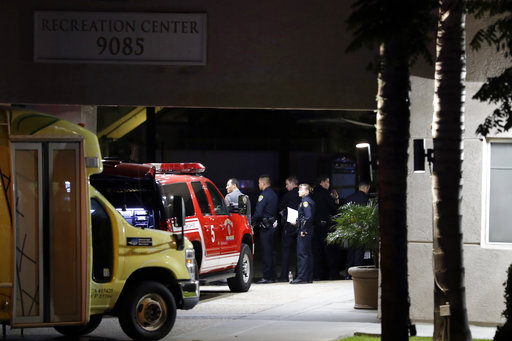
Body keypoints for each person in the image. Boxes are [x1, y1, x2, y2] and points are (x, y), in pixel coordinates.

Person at [310, 176, 340, 280]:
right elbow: (334, 209)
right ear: (322, 182)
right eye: (327, 182)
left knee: (317, 252)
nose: (329, 184)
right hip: (325, 226)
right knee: (329, 252)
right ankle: (333, 274)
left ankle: (318, 274)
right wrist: (336, 199)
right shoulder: (326, 194)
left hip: (314, 226)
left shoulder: (312, 194)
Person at [252, 174, 278, 284]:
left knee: (266, 252)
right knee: (272, 252)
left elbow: (259, 213)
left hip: (265, 228)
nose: (258, 185)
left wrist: (251, 222)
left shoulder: (263, 195)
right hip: (273, 226)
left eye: (259, 183)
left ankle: (266, 276)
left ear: (263, 183)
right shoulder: (274, 194)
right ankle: (273, 276)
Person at [343, 181, 371, 279]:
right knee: (359, 252)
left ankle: (348, 274)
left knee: (350, 252)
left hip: (350, 228)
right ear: (366, 188)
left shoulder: (349, 198)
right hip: (361, 228)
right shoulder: (365, 199)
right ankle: (357, 274)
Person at [277, 176, 301, 282]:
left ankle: (284, 276)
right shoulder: (302, 194)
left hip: (289, 226)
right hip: (301, 226)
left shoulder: (288, 195)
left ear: (292, 183)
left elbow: (280, 208)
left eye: (287, 184)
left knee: (286, 251)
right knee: (300, 251)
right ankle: (299, 274)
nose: (286, 186)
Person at [291, 183, 316, 284]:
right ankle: (308, 277)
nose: (298, 191)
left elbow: (308, 217)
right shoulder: (307, 201)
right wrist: (297, 223)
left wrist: (303, 229)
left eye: (301, 190)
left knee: (302, 254)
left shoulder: (305, 202)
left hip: (305, 231)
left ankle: (302, 277)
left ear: (307, 192)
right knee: (307, 254)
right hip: (307, 230)